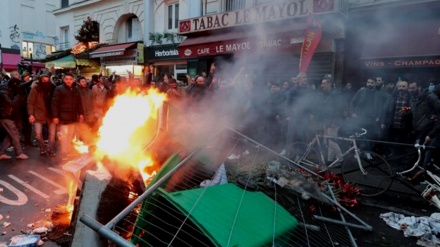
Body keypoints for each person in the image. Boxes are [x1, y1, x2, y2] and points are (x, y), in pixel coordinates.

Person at [51, 73, 84, 160]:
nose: (68, 81)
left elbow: (79, 103)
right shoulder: (59, 89)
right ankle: (64, 153)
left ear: (73, 80)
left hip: (73, 117)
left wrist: (81, 114)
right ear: (64, 80)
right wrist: (55, 116)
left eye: (70, 79)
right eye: (67, 79)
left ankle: (68, 151)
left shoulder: (75, 89)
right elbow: (54, 104)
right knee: (64, 137)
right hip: (63, 117)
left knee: (70, 136)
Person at [27, 73, 57, 156]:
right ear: (40, 80)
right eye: (43, 80)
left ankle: (50, 149)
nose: (45, 82)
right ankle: (42, 148)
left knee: (52, 134)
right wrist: (31, 114)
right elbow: (30, 102)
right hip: (39, 114)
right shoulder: (36, 89)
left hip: (51, 114)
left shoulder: (53, 88)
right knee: (38, 134)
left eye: (47, 80)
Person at [0, 77, 29, 160]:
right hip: (6, 116)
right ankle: (19, 153)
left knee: (10, 135)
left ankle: (1, 152)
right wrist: (18, 96)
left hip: (9, 116)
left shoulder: (8, 89)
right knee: (15, 135)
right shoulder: (4, 92)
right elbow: (11, 103)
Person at [77, 76, 95, 145]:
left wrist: (94, 112)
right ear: (78, 83)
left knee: (89, 129)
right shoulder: (76, 92)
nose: (84, 83)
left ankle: (89, 143)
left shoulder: (90, 92)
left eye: (85, 81)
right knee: (82, 129)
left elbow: (93, 102)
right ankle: (82, 144)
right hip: (81, 114)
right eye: (82, 81)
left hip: (90, 114)